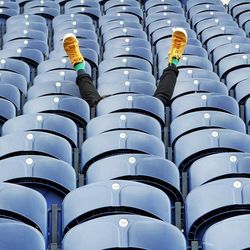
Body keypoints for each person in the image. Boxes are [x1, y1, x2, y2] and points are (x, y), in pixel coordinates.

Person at [62, 27, 187, 108]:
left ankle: (174, 59)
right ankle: (78, 63)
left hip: (141, 118)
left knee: (95, 103)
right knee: (159, 102)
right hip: (114, 115)